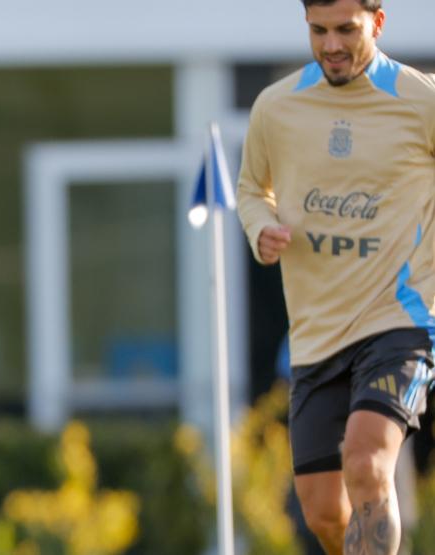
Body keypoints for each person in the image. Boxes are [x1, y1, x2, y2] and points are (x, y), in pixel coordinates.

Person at [236, 1, 435, 553]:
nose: (331, 46)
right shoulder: (276, 107)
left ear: (378, 22)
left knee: (369, 463)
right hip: (316, 334)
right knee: (324, 512)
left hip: (401, 321)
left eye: (346, 30)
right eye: (318, 31)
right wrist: (261, 230)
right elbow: (253, 191)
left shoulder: (421, 100)